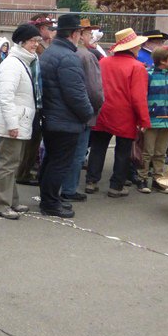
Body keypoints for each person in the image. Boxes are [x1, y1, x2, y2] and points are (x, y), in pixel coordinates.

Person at [38, 14, 93, 218]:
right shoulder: (68, 56)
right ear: (74, 33)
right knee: (59, 163)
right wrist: (88, 114)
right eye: (80, 32)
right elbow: (76, 94)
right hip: (65, 120)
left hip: (53, 117)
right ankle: (50, 203)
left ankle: (49, 199)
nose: (81, 36)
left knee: (52, 160)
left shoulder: (52, 51)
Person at [85, 28, 150, 198]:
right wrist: (144, 121)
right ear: (132, 47)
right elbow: (139, 98)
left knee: (98, 147)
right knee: (123, 151)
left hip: (103, 110)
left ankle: (91, 181)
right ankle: (116, 186)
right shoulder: (138, 67)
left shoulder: (104, 62)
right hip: (125, 114)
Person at [0, 24, 42, 219]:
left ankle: (11, 201)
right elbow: (5, 96)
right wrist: (12, 124)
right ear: (22, 42)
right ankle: (1, 205)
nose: (36, 44)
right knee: (7, 164)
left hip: (17, 120)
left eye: (37, 41)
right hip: (12, 122)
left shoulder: (22, 61)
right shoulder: (13, 64)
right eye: (32, 41)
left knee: (12, 163)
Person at [60, 19, 104, 203]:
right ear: (79, 34)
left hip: (60, 113)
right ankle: (69, 189)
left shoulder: (56, 53)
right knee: (77, 154)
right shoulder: (86, 56)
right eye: (87, 33)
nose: (90, 36)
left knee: (60, 154)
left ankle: (59, 187)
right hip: (81, 114)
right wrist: (93, 110)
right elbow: (95, 90)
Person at [137, 46, 168, 194]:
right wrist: (142, 118)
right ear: (162, 61)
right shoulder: (148, 74)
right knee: (147, 152)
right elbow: (142, 96)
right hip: (151, 120)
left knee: (161, 152)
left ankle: (158, 180)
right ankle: (142, 178)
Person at [16, 15, 55, 184]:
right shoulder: (29, 54)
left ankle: (25, 172)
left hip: (36, 104)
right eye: (48, 27)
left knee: (33, 142)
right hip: (26, 106)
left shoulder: (44, 48)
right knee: (26, 143)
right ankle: (21, 174)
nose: (51, 30)